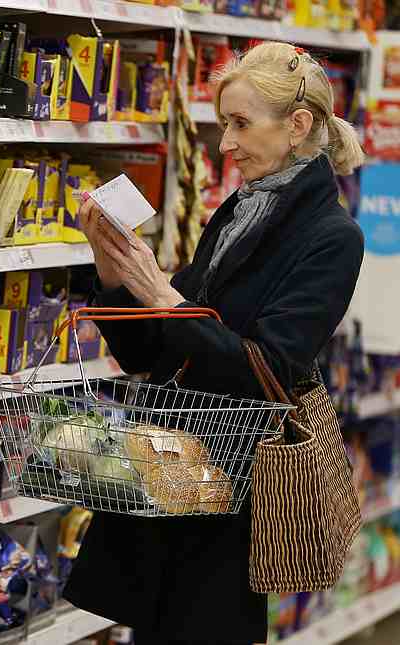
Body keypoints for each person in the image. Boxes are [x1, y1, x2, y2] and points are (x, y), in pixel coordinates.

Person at [62, 41, 366, 644]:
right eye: (225, 123)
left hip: (238, 490)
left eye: (240, 124)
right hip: (174, 472)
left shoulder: (333, 237)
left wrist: (166, 298)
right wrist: (111, 268)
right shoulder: (237, 211)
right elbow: (153, 355)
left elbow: (270, 371)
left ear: (297, 126)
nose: (224, 143)